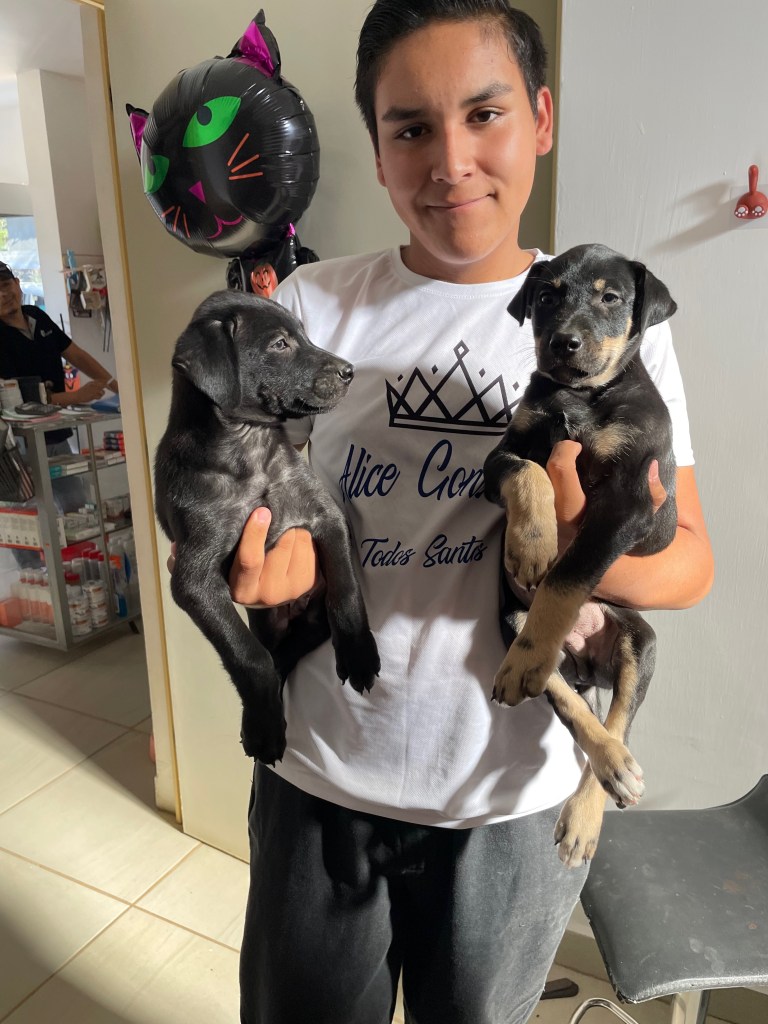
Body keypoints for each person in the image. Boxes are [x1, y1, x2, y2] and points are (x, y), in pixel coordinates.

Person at [182, 3, 714, 1021]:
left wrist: (576, 552)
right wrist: (258, 564)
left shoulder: (616, 327)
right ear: (378, 150)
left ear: (541, 118)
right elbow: (240, 495)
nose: (451, 161)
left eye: (485, 114)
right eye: (412, 128)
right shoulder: (311, 307)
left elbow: (690, 563)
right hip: (321, 774)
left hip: (509, 808)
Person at [0, 261, 119, 515]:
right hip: (22, 442)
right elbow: (18, 402)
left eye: (6, 285)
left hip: (55, 432)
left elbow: (77, 355)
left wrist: (116, 386)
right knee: (36, 514)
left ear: (18, 285)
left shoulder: (36, 316)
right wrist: (76, 396)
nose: (3, 294)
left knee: (76, 505)